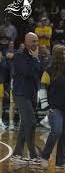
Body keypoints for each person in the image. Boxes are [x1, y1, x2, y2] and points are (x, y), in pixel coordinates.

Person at [11, 32, 42, 164]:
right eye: (33, 41)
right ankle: (33, 155)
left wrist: (36, 59)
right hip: (21, 93)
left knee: (25, 124)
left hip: (32, 94)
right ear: (26, 42)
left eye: (37, 41)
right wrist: (35, 59)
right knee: (31, 122)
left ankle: (17, 154)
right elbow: (27, 72)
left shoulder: (35, 56)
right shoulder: (19, 56)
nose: (36, 44)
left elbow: (40, 72)